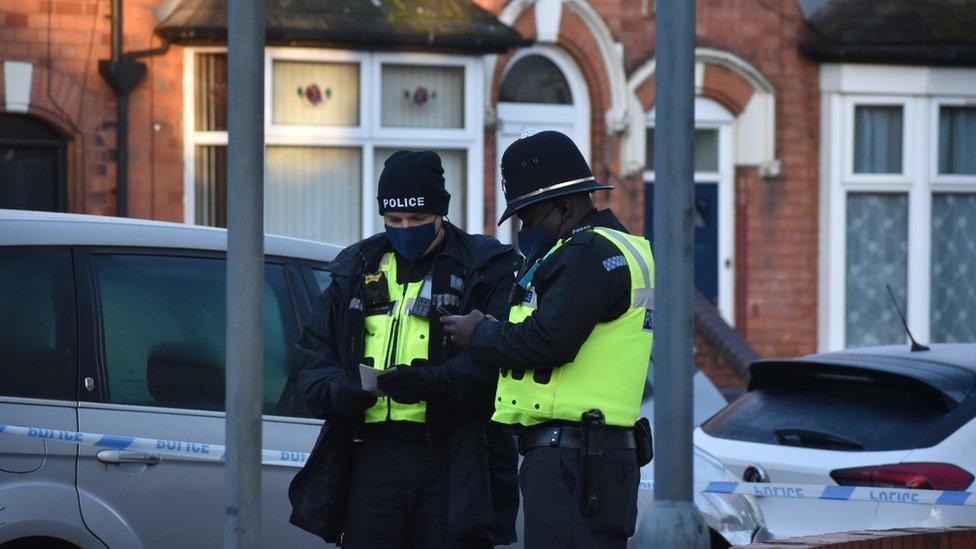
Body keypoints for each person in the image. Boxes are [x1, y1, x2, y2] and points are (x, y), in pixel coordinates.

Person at [288, 150, 521, 548]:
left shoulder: (483, 268)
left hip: (451, 459)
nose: (405, 229)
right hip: (371, 456)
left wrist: (433, 383)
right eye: (394, 220)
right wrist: (338, 392)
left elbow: (499, 360)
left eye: (417, 220)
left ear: (440, 214)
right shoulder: (356, 268)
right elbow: (313, 361)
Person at [441, 131, 655, 549]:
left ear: (565, 205)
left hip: (571, 460)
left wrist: (479, 333)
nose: (524, 228)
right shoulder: (624, 248)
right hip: (599, 455)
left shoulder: (584, 254)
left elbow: (548, 342)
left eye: (528, 216)